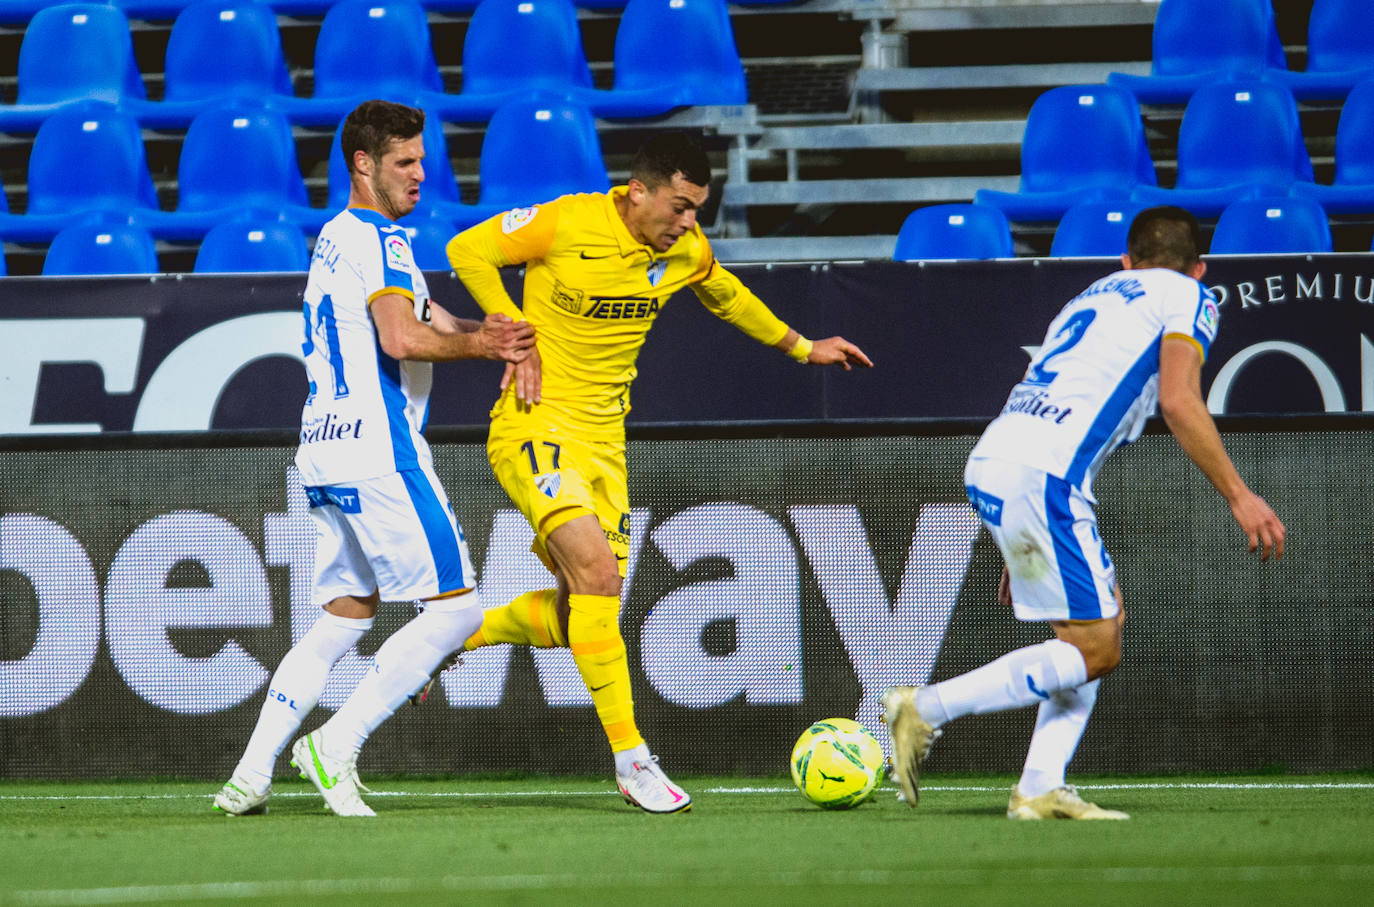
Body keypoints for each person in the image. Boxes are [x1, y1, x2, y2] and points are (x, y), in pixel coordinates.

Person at [444, 132, 872, 813]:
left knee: (581, 612)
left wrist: (802, 347)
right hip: (534, 421)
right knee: (596, 573)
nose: (688, 223)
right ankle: (632, 760)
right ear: (637, 191)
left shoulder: (684, 251)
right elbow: (467, 248)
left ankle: (451, 634)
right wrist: (514, 330)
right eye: (679, 206)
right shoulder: (566, 221)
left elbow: (726, 294)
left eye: (698, 210)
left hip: (605, 445)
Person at [882, 206, 1285, 820]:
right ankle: (926, 708)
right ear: (1199, 269)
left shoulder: (1088, 295)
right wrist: (1240, 495)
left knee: (1099, 624)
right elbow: (1179, 402)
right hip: (1044, 475)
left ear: (1125, 261)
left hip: (1000, 459)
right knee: (1098, 649)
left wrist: (1022, 545)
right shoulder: (1189, 296)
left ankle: (1040, 787)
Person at [213, 100, 534, 818]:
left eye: (423, 159)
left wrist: (489, 331)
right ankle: (335, 745)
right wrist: (483, 347)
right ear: (363, 164)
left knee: (341, 618)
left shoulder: (338, 234)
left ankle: (250, 773)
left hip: (323, 452)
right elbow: (400, 338)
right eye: (405, 162)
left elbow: (424, 318)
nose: (423, 173)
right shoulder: (383, 239)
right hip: (377, 448)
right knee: (455, 611)